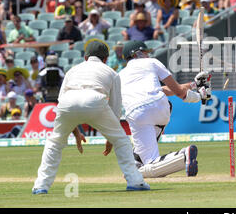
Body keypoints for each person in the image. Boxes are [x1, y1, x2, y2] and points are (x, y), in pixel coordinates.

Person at [32, 40, 150, 194]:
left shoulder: (72, 70)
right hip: (95, 99)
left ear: (86, 57)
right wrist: (111, 137)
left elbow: (62, 103)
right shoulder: (112, 72)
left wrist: (73, 130)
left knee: (55, 142)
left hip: (68, 101)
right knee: (122, 140)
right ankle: (136, 182)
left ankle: (41, 186)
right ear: (106, 59)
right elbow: (115, 107)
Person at [113, 40, 211, 178]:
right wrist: (199, 96)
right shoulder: (152, 62)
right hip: (160, 107)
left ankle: (181, 155)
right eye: (145, 52)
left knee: (149, 164)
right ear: (137, 53)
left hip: (135, 114)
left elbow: (166, 90)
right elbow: (177, 92)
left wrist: (193, 84)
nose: (147, 55)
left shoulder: (120, 76)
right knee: (150, 165)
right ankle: (139, 161)